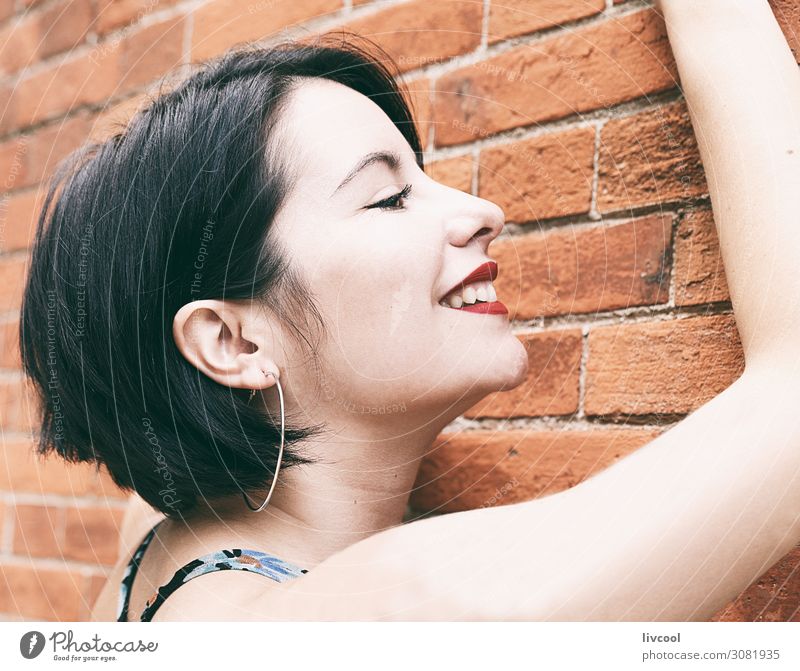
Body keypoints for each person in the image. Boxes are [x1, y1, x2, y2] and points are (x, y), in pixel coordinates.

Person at [19, 0, 800, 621]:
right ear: (231, 340)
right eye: (388, 197)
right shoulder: (393, 617)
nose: (483, 208)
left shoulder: (164, 544)